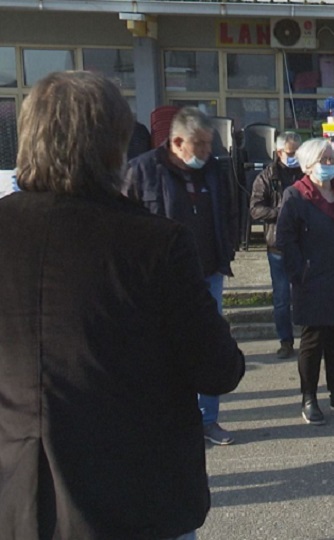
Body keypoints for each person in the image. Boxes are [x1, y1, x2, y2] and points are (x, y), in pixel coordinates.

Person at [0, 71, 244, 539]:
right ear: (116, 146)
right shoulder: (153, 243)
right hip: (134, 497)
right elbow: (218, 369)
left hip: (15, 496)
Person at [126, 106, 239, 446]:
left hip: (208, 274)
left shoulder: (215, 171)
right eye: (199, 145)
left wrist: (227, 250)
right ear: (176, 141)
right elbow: (126, 227)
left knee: (206, 343)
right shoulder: (141, 171)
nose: (206, 152)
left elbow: (230, 213)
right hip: (161, 281)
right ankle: (177, 419)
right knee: (166, 350)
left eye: (209, 144)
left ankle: (209, 420)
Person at [276, 138, 334, 424]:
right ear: (308, 165)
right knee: (313, 341)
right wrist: (300, 272)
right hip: (314, 280)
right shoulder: (295, 196)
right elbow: (285, 240)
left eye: (331, 159)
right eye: (323, 160)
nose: (329, 165)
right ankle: (309, 398)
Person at [250, 132, 304, 359]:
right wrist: (280, 213)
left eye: (297, 153)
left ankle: (311, 338)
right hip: (278, 246)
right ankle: (286, 341)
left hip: (304, 244)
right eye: (291, 153)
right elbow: (255, 209)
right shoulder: (266, 177)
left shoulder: (306, 173)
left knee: (307, 294)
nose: (295, 157)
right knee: (282, 298)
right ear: (279, 152)